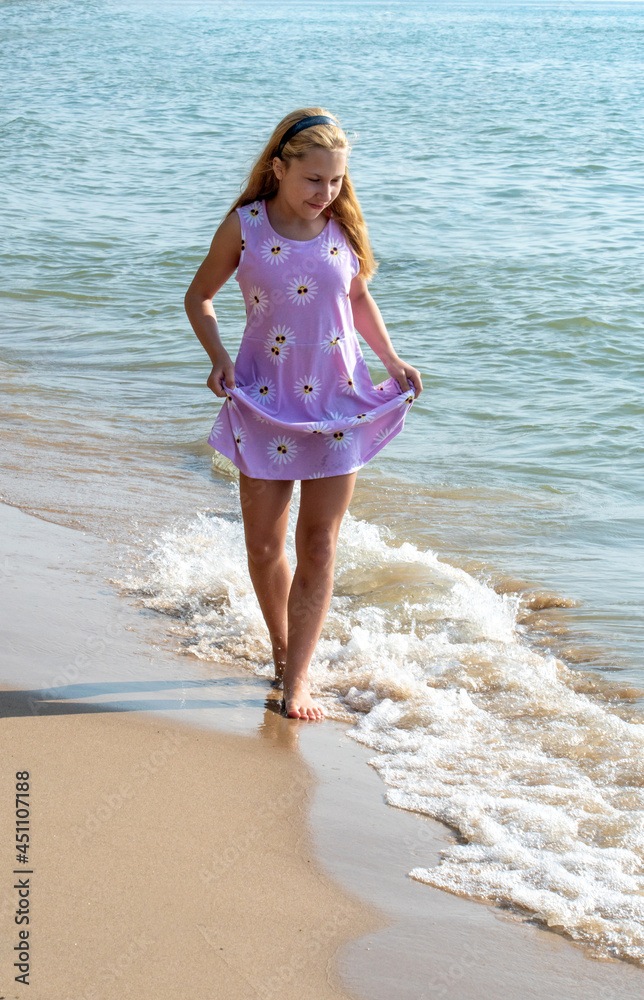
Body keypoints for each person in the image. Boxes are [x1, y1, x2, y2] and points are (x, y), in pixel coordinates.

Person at [185, 108, 422, 721]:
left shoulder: (343, 226)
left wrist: (391, 360)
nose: (327, 193)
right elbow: (200, 295)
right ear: (279, 168)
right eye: (314, 180)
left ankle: (298, 678)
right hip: (265, 399)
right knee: (265, 547)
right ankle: (282, 648)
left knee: (318, 545)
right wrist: (217, 356)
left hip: (339, 402)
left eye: (337, 180)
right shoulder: (246, 226)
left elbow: (358, 295)